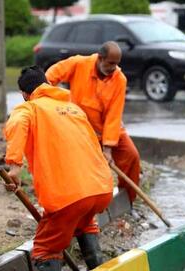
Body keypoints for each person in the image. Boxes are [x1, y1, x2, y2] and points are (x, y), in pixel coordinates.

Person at [4, 66, 114, 271]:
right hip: (100, 189)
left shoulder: (30, 108)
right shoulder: (73, 108)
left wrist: (14, 166)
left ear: (24, 94)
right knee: (84, 223)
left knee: (46, 247)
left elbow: (17, 122)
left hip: (70, 196)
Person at [45, 41, 141, 204]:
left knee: (131, 156)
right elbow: (50, 76)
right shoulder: (79, 64)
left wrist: (108, 148)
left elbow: (113, 115)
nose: (114, 68)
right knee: (90, 169)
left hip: (110, 130)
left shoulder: (119, 79)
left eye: (117, 64)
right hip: (82, 131)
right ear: (100, 58)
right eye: (111, 63)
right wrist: (50, 98)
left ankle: (127, 201)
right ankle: (87, 202)